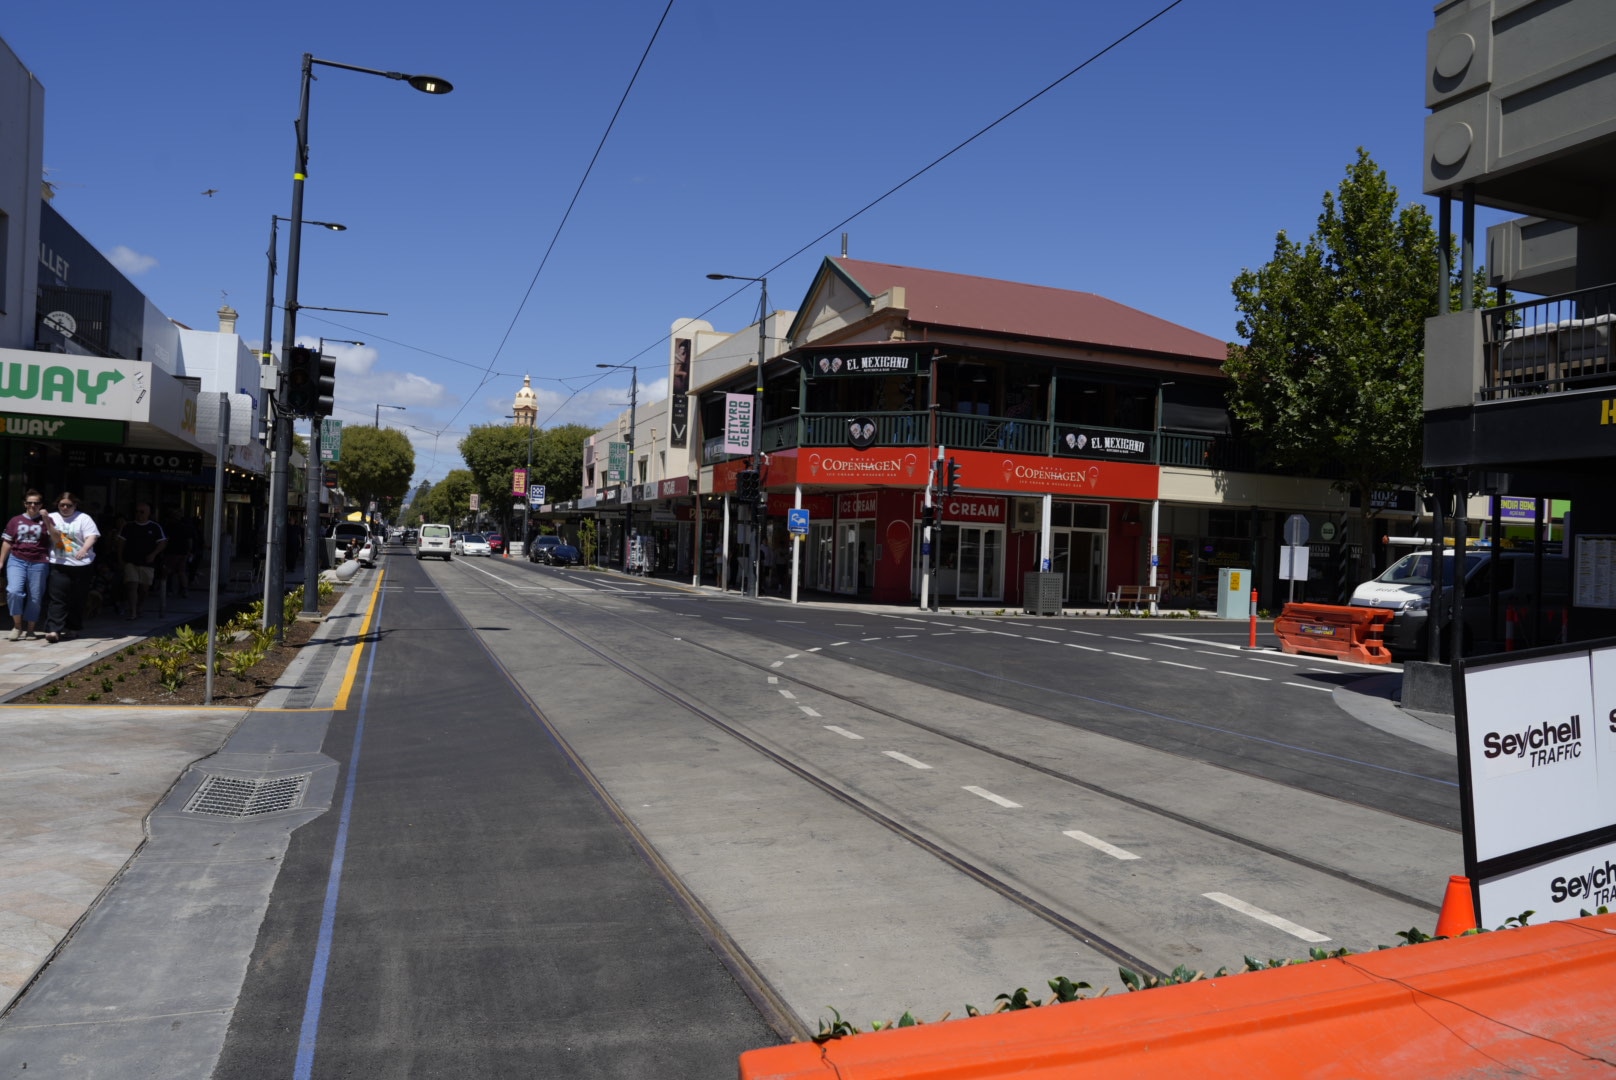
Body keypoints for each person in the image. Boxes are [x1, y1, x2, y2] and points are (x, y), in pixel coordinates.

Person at [44, 492, 99, 643]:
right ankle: (54, 629)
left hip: (82, 564)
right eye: (62, 505)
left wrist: (84, 549)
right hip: (59, 562)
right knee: (57, 598)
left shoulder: (83, 518)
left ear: (75, 505)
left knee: (77, 598)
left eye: (69, 505)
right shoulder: (52, 517)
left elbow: (92, 536)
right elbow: (51, 536)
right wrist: (45, 519)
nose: (65, 508)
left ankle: (73, 628)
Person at [1, 490, 53, 640]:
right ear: (24, 504)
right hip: (17, 560)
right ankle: (17, 626)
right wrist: (1, 561)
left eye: (36, 503)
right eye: (29, 502)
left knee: (35, 596)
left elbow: (57, 539)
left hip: (39, 561)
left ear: (41, 505)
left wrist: (47, 519)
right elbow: (7, 542)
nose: (32, 505)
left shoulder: (47, 520)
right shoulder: (15, 520)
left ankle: (30, 628)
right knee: (14, 591)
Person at [119, 502, 167, 620]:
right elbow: (121, 543)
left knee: (144, 589)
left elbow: (162, 542)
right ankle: (133, 612)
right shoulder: (128, 527)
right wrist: (120, 559)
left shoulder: (155, 527)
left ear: (148, 513)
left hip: (147, 563)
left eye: (142, 512)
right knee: (132, 585)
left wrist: (153, 554)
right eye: (137, 512)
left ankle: (140, 606)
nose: (139, 514)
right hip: (131, 561)